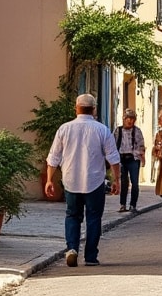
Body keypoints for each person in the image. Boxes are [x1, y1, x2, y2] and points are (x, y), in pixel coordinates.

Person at [45, 93, 120, 267]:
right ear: (94, 109)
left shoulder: (64, 128)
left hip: (71, 180)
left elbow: (53, 156)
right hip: (94, 182)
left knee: (72, 215)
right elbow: (113, 157)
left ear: (76, 108)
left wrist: (49, 179)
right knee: (94, 218)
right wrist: (118, 179)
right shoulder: (102, 129)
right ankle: (91, 256)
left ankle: (72, 248)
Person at [114, 109, 145, 213]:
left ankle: (133, 205)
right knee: (123, 182)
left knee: (135, 183)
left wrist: (141, 156)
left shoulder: (137, 131)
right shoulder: (118, 131)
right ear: (124, 119)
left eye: (132, 119)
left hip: (133, 159)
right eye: (128, 118)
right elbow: (113, 144)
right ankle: (122, 204)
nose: (130, 121)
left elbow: (141, 145)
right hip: (121, 159)